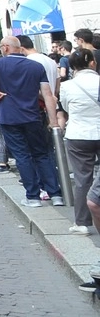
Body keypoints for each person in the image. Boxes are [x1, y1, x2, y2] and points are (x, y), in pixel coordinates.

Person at [0, 36, 63, 207]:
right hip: (33, 116)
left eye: (1, 46)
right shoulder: (36, 66)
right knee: (42, 154)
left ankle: (33, 196)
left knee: (22, 156)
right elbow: (47, 94)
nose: (0, 50)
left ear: (6, 48)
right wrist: (53, 121)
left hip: (10, 117)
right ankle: (55, 193)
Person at [58, 47, 100, 233]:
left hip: (78, 134)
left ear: (73, 67)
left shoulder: (67, 86)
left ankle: (82, 222)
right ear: (93, 62)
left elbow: (66, 107)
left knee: (83, 178)